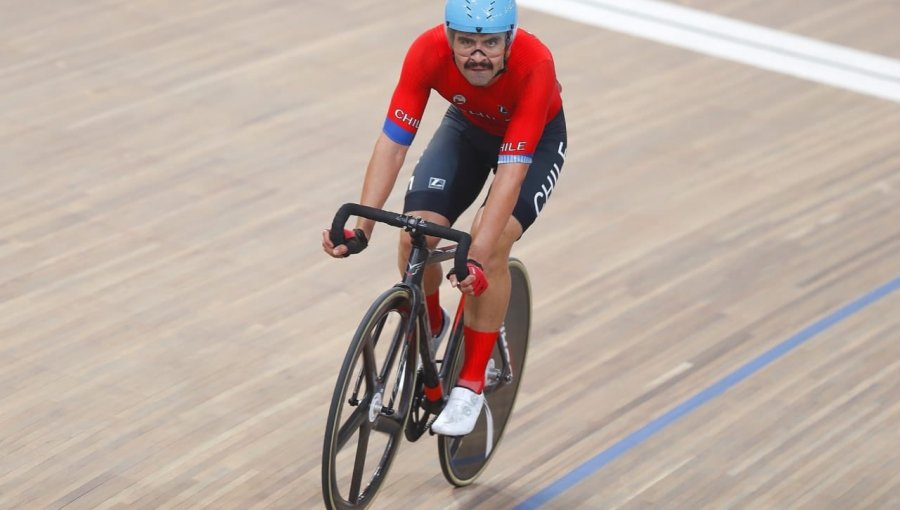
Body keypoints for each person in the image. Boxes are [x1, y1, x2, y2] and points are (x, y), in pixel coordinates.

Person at [322, 0, 566, 436]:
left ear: (509, 41)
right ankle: (431, 322)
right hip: (467, 129)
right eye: (466, 42)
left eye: (490, 43)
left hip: (533, 143)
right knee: (413, 231)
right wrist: (361, 229)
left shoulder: (535, 64)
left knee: (489, 249)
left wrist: (477, 255)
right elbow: (393, 144)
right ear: (449, 38)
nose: (477, 54)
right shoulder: (426, 52)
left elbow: (512, 174)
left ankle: (470, 385)